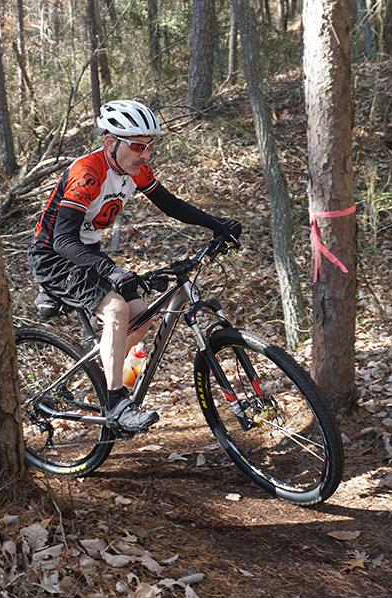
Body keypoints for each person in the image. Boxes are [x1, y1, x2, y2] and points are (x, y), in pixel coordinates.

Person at [28, 99, 242, 433]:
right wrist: (111, 271)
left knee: (142, 312)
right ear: (110, 141)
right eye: (137, 146)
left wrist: (216, 224)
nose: (145, 155)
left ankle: (102, 374)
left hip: (85, 250)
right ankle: (115, 404)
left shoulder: (136, 170)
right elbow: (62, 240)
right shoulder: (88, 173)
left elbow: (169, 204)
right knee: (116, 310)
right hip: (54, 255)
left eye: (149, 146)